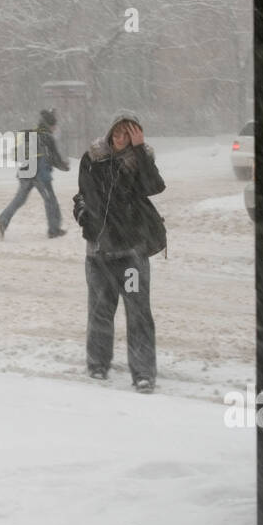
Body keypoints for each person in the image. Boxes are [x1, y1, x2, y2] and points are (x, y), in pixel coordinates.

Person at [72, 111, 166, 393]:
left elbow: (154, 187)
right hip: (99, 251)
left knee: (138, 314)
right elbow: (82, 195)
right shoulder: (93, 157)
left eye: (128, 132)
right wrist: (83, 216)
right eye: (117, 130)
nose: (120, 136)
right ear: (110, 129)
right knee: (100, 311)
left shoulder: (140, 160)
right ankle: (98, 365)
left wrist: (139, 150)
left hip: (131, 254)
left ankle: (143, 374)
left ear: (135, 135)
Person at [0, 108, 70, 240]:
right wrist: (64, 166)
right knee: (51, 200)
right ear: (49, 125)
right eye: (54, 125)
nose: (55, 128)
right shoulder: (46, 137)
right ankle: (54, 230)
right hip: (40, 175)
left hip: (25, 173)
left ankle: (2, 221)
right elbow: (55, 158)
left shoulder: (31, 134)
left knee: (19, 200)